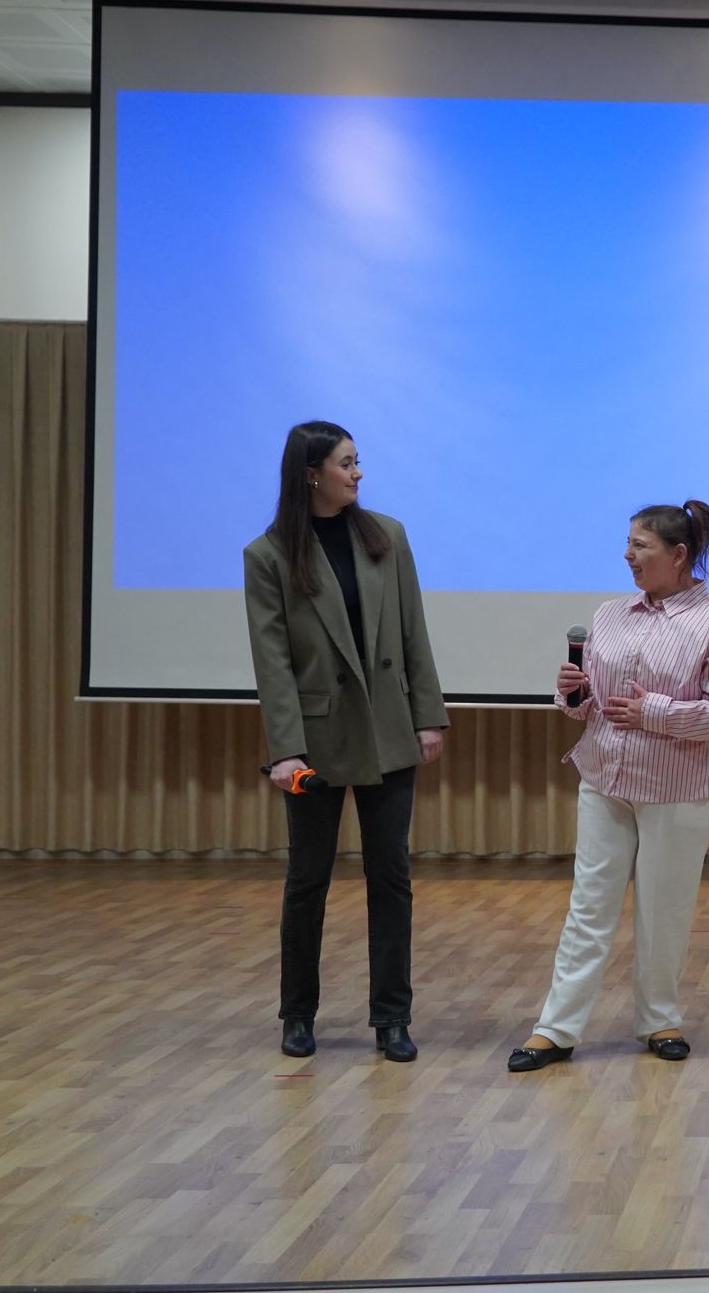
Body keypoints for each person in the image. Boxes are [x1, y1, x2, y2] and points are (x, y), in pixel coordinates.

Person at [508, 501, 709, 1073]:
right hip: (605, 780)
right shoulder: (610, 614)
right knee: (588, 906)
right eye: (627, 544)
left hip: (678, 790)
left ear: (678, 555)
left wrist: (655, 712)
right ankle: (555, 1029)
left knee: (663, 911)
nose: (627, 556)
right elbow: (588, 705)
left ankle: (659, 1021)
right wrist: (572, 692)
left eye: (640, 546)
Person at [243, 420, 448, 1062]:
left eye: (358, 461)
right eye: (346, 463)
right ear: (312, 474)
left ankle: (392, 1018)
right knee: (308, 879)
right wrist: (285, 750)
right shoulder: (268, 555)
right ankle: (297, 1015)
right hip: (314, 740)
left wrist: (428, 715)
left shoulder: (387, 535)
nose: (358, 473)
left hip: (388, 728)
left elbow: (413, 632)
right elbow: (272, 661)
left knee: (392, 875)